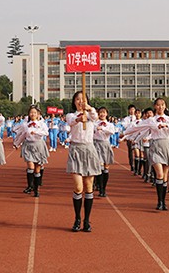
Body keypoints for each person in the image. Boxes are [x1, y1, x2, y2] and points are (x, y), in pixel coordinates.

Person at [125, 98, 169, 211]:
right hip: (156, 145)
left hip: (167, 145)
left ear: (165, 106)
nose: (160, 107)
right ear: (155, 106)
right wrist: (124, 134)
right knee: (159, 174)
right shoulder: (151, 120)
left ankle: (163, 201)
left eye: (162, 105)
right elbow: (138, 128)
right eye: (158, 105)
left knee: (165, 176)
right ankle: (159, 201)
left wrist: (166, 125)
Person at [66, 91, 102, 232]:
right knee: (78, 187)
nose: (80, 101)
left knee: (88, 186)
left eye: (83, 99)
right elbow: (71, 121)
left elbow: (95, 116)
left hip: (89, 150)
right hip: (76, 150)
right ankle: (77, 218)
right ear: (74, 102)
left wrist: (89, 108)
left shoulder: (91, 115)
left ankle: (86, 220)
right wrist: (80, 119)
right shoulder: (71, 115)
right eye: (78, 99)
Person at [14, 106, 49, 197]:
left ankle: (36, 190)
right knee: (30, 167)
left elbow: (46, 133)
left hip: (39, 146)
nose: (33, 114)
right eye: (31, 112)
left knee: (37, 170)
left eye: (35, 113)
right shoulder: (25, 125)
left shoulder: (42, 124)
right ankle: (30, 186)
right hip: (28, 145)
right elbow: (22, 135)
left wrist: (36, 132)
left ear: (38, 115)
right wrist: (17, 144)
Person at [93, 107, 115, 197]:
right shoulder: (94, 124)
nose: (102, 114)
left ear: (107, 114)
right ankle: (100, 188)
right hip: (97, 144)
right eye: (100, 112)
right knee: (100, 166)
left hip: (106, 144)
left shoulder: (110, 124)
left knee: (106, 168)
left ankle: (104, 188)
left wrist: (102, 128)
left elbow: (112, 132)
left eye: (104, 112)